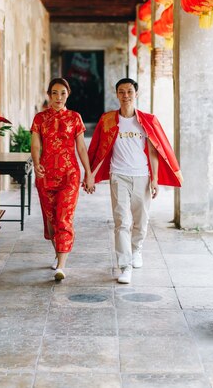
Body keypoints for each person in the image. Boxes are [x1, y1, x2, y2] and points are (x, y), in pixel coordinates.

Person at [85, 78, 182, 284]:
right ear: (117, 94)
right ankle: (125, 265)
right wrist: (90, 174)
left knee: (141, 220)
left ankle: (137, 249)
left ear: (136, 94)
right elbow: (97, 148)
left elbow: (155, 151)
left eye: (129, 91)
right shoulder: (108, 120)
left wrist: (155, 179)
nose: (126, 95)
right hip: (118, 175)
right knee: (122, 221)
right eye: (121, 92)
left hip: (142, 176)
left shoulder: (147, 120)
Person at [31, 77, 95, 281]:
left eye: (63, 93)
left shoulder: (75, 118)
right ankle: (58, 252)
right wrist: (35, 163)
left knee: (63, 218)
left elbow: (81, 147)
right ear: (49, 94)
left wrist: (89, 173)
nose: (59, 97)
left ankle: (61, 265)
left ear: (68, 95)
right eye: (55, 93)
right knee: (51, 222)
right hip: (45, 174)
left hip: (69, 174)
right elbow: (35, 145)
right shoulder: (40, 119)